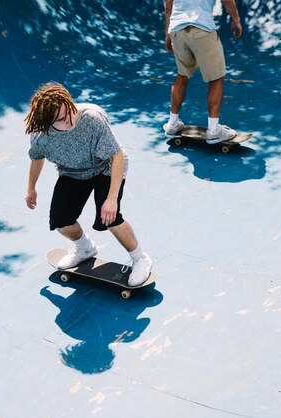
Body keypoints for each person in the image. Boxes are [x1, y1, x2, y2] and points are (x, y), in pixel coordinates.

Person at [24, 82, 152, 286]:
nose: (70, 121)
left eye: (70, 112)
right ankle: (84, 248)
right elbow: (37, 157)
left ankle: (140, 258)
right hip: (72, 172)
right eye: (61, 120)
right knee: (61, 220)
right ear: (48, 123)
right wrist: (31, 187)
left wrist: (111, 199)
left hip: (105, 166)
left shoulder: (91, 119)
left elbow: (116, 155)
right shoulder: (40, 135)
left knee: (109, 217)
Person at [163, 0, 243, 143]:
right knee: (216, 78)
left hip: (177, 29)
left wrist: (168, 33)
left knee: (182, 75)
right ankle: (213, 131)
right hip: (202, 28)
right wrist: (236, 20)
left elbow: (168, 6)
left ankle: (172, 124)